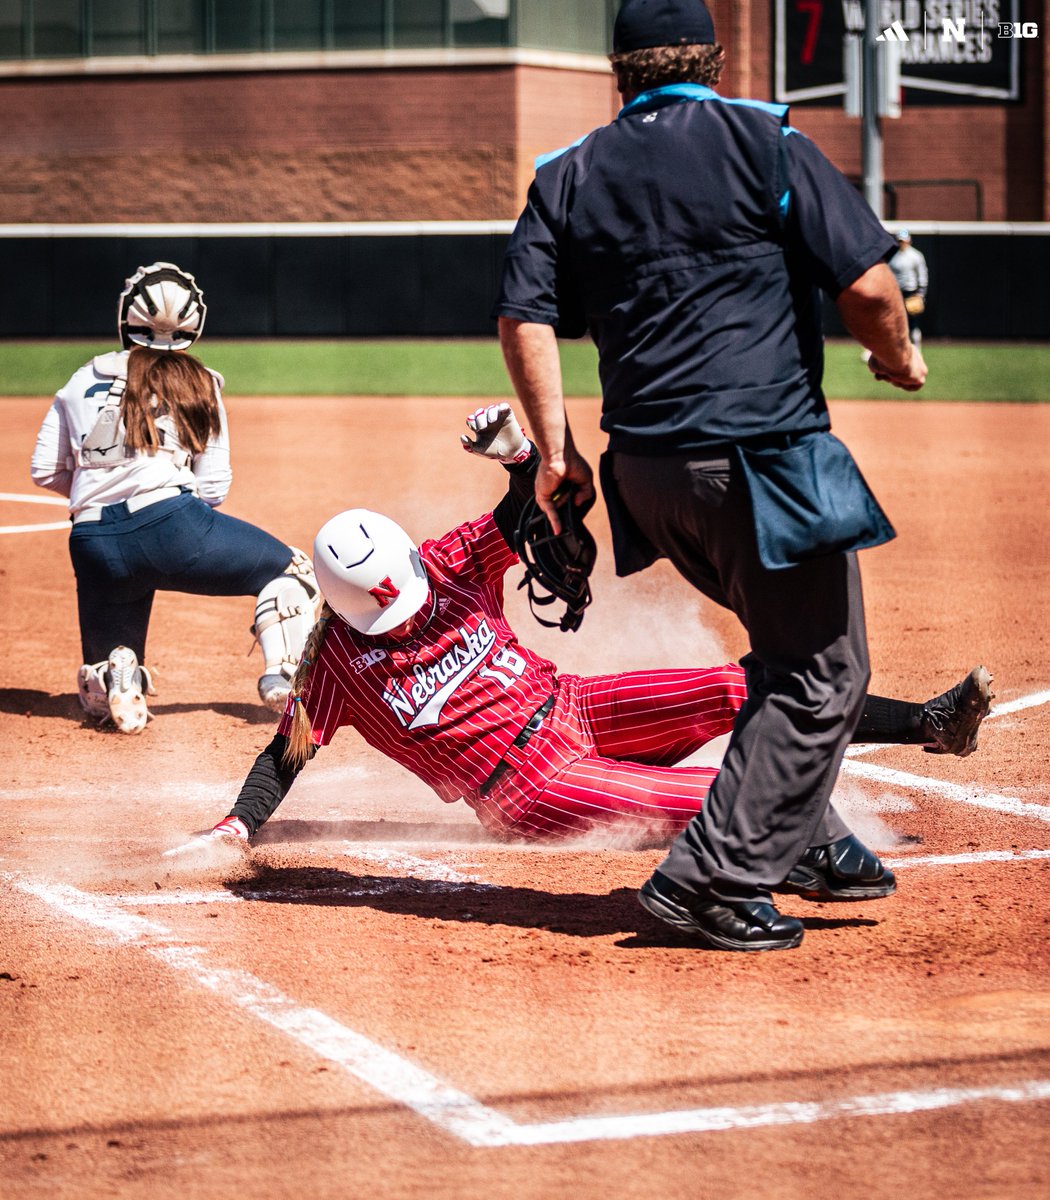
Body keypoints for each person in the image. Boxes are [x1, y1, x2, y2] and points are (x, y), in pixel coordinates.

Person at [492, 0, 931, 950]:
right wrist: (897, 359)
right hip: (757, 463)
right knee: (824, 672)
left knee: (785, 654)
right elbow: (867, 284)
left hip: (645, 477)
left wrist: (558, 456)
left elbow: (522, 318)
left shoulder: (563, 175)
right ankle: (711, 878)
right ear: (717, 61)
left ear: (620, 74)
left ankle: (805, 836)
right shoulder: (767, 142)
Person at [194, 405, 991, 904]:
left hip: (572, 704)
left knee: (746, 684)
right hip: (531, 787)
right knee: (710, 792)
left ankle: (929, 723)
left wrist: (514, 458)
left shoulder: (437, 566)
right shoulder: (335, 663)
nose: (405, 613)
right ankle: (800, 856)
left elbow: (520, 513)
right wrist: (238, 824)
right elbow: (287, 752)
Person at [31, 262, 320, 734]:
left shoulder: (82, 377)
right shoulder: (200, 379)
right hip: (173, 525)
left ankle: (117, 676)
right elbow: (214, 488)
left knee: (103, 685)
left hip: (92, 539)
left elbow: (45, 470)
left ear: (126, 315)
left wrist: (97, 494)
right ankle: (283, 674)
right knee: (292, 570)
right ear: (194, 324)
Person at [888, 229, 929, 348]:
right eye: (900, 241)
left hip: (911, 292)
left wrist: (921, 293)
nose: (902, 243)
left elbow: (922, 274)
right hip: (895, 293)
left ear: (909, 241)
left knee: (912, 323)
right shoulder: (892, 256)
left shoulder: (916, 255)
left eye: (904, 241)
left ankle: (916, 349)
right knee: (894, 323)